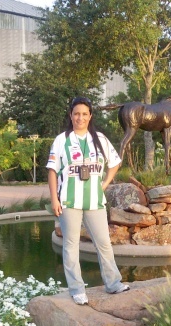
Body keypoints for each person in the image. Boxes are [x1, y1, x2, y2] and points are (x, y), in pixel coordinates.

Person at [46, 96, 129, 305]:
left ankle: (113, 283)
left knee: (104, 243)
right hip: (69, 201)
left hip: (95, 201)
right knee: (71, 245)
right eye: (76, 114)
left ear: (90, 116)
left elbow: (115, 163)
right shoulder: (61, 140)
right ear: (71, 116)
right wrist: (54, 199)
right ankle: (77, 289)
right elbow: (52, 171)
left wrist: (104, 184)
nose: (80, 118)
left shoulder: (99, 138)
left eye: (84, 114)